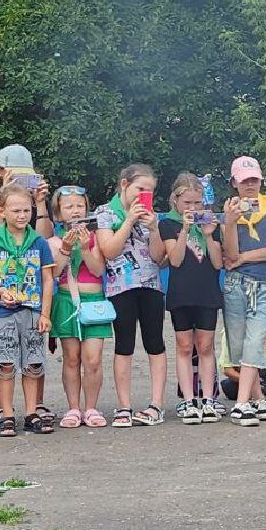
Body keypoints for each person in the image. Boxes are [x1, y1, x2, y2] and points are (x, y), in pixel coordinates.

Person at [0, 184, 55, 438]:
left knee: (33, 362)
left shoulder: (39, 242)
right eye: (15, 210)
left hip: (32, 312)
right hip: (4, 313)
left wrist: (45, 314)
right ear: (2, 211)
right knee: (6, 363)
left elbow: (47, 280)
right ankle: (7, 414)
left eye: (26, 210)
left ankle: (31, 413)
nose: (22, 215)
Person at [96, 162, 167, 427]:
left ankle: (156, 405)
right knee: (123, 345)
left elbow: (160, 258)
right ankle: (124, 406)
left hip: (151, 286)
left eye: (150, 191)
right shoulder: (105, 213)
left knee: (155, 343)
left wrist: (154, 229)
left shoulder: (153, 217)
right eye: (140, 189)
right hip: (120, 288)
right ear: (124, 184)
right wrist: (128, 221)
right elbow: (109, 250)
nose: (144, 195)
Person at [220, 155, 266, 426]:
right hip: (236, 284)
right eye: (244, 180)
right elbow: (231, 252)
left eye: (254, 180)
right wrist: (230, 222)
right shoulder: (231, 211)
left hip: (265, 284)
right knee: (238, 345)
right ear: (234, 183)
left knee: (256, 341)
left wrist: (246, 258)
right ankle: (258, 399)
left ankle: (240, 404)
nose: (250, 185)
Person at [159, 173, 224, 424]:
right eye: (187, 203)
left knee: (206, 346)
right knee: (185, 346)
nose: (193, 208)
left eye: (197, 203)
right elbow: (174, 260)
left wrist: (208, 235)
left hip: (207, 292)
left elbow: (218, 263)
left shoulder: (210, 224)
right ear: (176, 201)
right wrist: (185, 229)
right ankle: (188, 399)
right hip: (181, 294)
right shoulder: (168, 224)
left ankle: (208, 398)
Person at [49, 185, 111, 429]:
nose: (75, 211)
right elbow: (53, 273)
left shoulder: (95, 237)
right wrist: (65, 248)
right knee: (71, 358)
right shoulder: (55, 239)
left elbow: (98, 270)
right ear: (58, 213)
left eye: (80, 206)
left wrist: (84, 248)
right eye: (69, 207)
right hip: (66, 301)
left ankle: (92, 407)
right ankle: (73, 407)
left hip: (94, 302)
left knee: (93, 359)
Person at [216, 321, 266, 409]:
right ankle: (254, 392)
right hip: (240, 375)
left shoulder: (264, 330)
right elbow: (228, 371)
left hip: (261, 372)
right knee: (229, 387)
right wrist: (249, 382)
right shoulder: (230, 336)